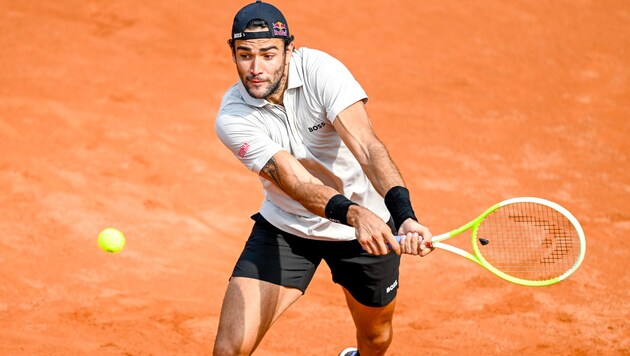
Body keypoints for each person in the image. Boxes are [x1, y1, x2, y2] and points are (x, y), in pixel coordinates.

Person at [213, 1, 434, 355]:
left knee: (375, 337)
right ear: (233, 54)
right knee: (228, 350)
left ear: (289, 50)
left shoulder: (322, 71)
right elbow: (296, 183)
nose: (256, 68)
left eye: (268, 54)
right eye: (245, 55)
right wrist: (355, 215)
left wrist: (403, 214)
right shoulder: (233, 117)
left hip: (370, 230)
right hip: (288, 229)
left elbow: (367, 147)